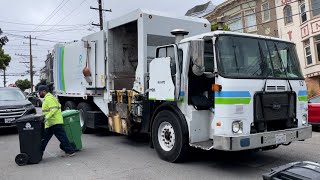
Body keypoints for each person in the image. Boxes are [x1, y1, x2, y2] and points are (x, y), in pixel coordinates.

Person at [38, 85, 75, 157]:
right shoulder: (48, 98)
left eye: (39, 92)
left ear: (44, 91)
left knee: (61, 138)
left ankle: (70, 151)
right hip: (51, 123)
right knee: (46, 138)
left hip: (55, 122)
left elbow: (54, 109)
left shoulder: (49, 98)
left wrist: (47, 117)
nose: (39, 94)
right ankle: (39, 152)